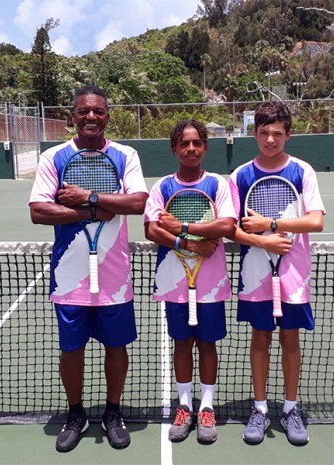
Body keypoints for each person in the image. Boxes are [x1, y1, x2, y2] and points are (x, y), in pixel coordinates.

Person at [29, 85, 148, 452]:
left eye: (98, 111)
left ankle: (113, 412)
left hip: (115, 277)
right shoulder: (53, 158)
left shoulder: (125, 155)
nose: (91, 117)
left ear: (107, 116)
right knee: (72, 349)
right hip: (69, 278)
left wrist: (87, 196)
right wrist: (93, 209)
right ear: (73, 116)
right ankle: (76, 413)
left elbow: (137, 203)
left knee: (116, 346)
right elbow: (39, 211)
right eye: (84, 111)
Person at [227, 101, 325, 445]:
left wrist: (270, 224)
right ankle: (259, 408)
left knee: (290, 339)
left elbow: (315, 221)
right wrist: (262, 241)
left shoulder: (302, 171)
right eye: (264, 133)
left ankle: (290, 409)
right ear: (254, 134)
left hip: (294, 275)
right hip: (255, 273)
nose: (270, 139)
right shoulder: (240, 176)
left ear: (288, 135)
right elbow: (231, 228)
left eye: (277, 133)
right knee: (260, 338)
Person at [144, 120, 236, 444]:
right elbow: (152, 230)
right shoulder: (162, 187)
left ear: (205, 147)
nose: (191, 148)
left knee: (207, 344)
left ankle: (206, 408)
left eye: (197, 142)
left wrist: (181, 226)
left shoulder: (217, 184)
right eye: (184, 143)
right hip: (174, 281)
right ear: (174, 149)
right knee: (182, 343)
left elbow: (226, 225)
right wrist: (191, 244)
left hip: (210, 283)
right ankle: (184, 406)